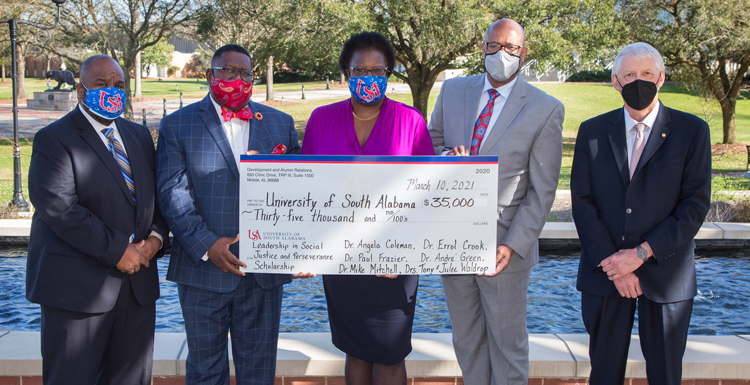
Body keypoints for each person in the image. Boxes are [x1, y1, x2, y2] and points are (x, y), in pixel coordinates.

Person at [155, 44, 302, 385]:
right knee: (206, 372)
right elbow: (172, 192)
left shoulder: (280, 124)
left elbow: (298, 189)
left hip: (264, 274)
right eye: (228, 72)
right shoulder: (178, 125)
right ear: (210, 75)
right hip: (203, 271)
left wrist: (300, 247)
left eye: (245, 73)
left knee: (259, 373)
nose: (238, 79)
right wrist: (208, 245)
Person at [428, 19, 564, 385]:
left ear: (523, 53)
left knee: (508, 348)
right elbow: (430, 143)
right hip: (453, 242)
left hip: (504, 250)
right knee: (467, 343)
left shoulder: (545, 108)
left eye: (511, 48)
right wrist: (444, 156)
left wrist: (513, 244)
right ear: (483, 47)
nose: (501, 54)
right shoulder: (453, 91)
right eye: (494, 46)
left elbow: (542, 190)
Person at [571, 42, 711, 385]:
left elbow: (695, 205)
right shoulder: (592, 132)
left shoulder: (691, 131)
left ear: (661, 78)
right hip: (606, 275)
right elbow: (582, 203)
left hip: (666, 274)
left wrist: (640, 255)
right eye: (630, 75)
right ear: (616, 82)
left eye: (647, 73)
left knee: (665, 375)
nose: (639, 81)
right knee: (603, 373)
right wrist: (614, 265)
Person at [300, 31, 434, 385]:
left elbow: (429, 196)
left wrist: (407, 253)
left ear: (389, 74)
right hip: (341, 261)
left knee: (390, 355)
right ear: (347, 72)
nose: (369, 79)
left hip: (394, 263)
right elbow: (305, 189)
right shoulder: (320, 119)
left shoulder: (411, 122)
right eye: (361, 71)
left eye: (379, 71)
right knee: (355, 350)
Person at [26, 54, 169, 385]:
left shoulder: (139, 136)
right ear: (80, 90)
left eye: (118, 85)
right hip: (76, 293)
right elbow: (59, 208)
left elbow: (156, 201)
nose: (112, 91)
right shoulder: (54, 139)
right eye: (101, 85)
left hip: (137, 291)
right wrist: (120, 250)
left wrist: (155, 241)